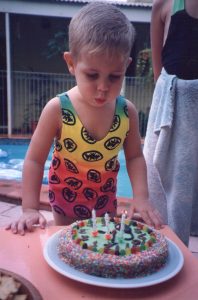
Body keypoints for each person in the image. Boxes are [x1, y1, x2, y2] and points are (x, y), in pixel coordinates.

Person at [6, 2, 162, 235]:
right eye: (92, 75)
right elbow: (34, 160)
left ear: (126, 67)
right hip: (65, 202)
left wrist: (141, 197)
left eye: (114, 76)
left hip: (105, 203)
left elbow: (135, 157)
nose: (103, 87)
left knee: (98, 250)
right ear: (71, 63)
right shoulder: (58, 109)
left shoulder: (126, 112)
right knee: (67, 248)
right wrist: (29, 208)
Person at [143, 0, 198, 246]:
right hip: (169, 109)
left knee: (187, 192)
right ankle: (161, 251)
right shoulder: (164, 5)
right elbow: (160, 74)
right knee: (155, 177)